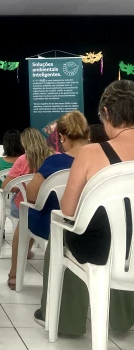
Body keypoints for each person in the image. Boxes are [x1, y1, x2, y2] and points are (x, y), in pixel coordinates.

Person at [33, 80, 134, 335]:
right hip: (131, 248)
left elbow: (68, 211)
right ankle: (123, 318)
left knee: (64, 233)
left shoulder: (91, 154)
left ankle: (64, 320)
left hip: (101, 250)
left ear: (107, 113)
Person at [6, 111, 89, 291]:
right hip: (89, 226)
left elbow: (32, 195)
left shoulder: (55, 161)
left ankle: (14, 274)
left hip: (54, 225)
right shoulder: (99, 158)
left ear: (62, 137)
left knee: (24, 216)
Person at [2, 127, 54, 289]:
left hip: (25, 206)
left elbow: (7, 187)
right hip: (50, 208)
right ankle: (28, 249)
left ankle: (14, 273)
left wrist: (21, 185)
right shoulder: (54, 157)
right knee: (32, 211)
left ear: (24, 143)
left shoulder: (23, 160)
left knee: (24, 209)